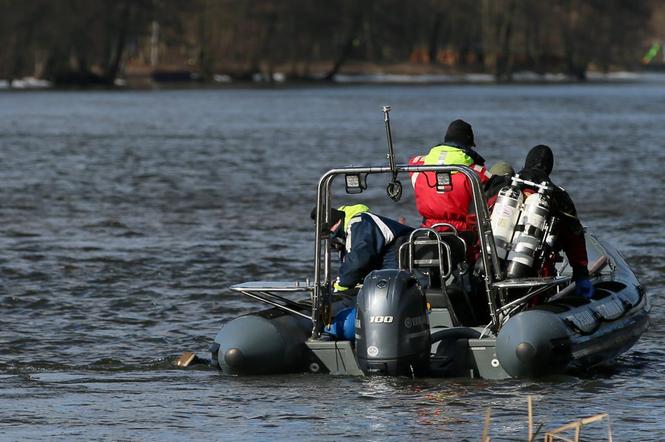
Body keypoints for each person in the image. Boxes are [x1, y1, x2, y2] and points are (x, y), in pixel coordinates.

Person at [514, 145, 594, 299]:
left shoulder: (505, 186)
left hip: (495, 265)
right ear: (549, 167)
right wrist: (581, 275)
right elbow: (574, 237)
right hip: (537, 272)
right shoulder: (558, 196)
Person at [409, 119, 492, 236]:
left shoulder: (417, 167)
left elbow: (413, 162)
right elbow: (491, 191)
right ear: (467, 144)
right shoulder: (477, 172)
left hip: (427, 230)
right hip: (462, 233)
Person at [320, 204, 414, 292]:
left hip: (402, 265)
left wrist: (340, 286)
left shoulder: (360, 223)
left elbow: (357, 262)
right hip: (387, 272)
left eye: (331, 234)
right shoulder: (346, 232)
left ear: (337, 223)